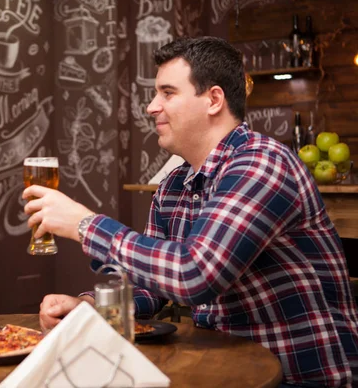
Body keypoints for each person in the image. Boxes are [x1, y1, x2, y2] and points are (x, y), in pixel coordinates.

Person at [24, 37, 358, 387]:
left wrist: (84, 224)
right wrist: (92, 308)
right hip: (226, 373)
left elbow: (195, 273)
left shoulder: (262, 163)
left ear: (214, 100)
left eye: (167, 93)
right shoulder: (173, 186)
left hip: (299, 376)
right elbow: (152, 286)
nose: (152, 106)